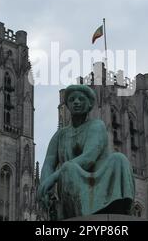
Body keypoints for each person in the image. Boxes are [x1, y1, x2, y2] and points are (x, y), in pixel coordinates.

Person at [38, 84, 135, 220]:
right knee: (68, 169)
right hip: (71, 185)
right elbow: (48, 163)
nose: (76, 102)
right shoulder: (60, 135)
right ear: (67, 105)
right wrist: (45, 185)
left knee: (119, 158)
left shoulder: (97, 126)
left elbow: (89, 158)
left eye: (81, 99)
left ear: (89, 104)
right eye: (72, 100)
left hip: (97, 180)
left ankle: (118, 211)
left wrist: (53, 178)